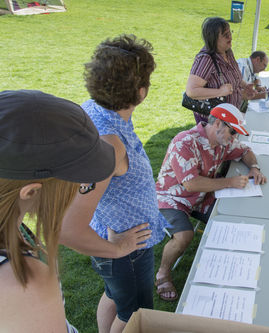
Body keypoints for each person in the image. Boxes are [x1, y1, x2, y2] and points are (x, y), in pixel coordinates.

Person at [60, 35, 168, 333]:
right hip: (126, 250)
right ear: (141, 92)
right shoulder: (110, 146)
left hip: (116, 242)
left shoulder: (95, 110)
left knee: (115, 297)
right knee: (135, 315)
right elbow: (68, 227)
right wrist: (118, 247)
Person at [0, 90, 116, 331]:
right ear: (31, 192)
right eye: (81, 184)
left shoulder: (11, 225)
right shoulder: (23, 281)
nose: (80, 189)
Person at [155, 103, 267, 301]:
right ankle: (162, 274)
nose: (234, 139)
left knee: (236, 215)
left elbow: (245, 151)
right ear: (217, 124)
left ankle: (228, 268)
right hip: (171, 198)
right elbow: (190, 184)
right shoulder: (185, 142)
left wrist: (255, 168)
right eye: (233, 133)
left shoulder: (223, 141)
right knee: (184, 236)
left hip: (199, 198)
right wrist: (229, 182)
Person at [186, 17, 255, 124]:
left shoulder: (227, 51)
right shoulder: (206, 59)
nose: (230, 37)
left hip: (229, 117)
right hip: (213, 123)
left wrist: (246, 86)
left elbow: (234, 74)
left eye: (230, 32)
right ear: (213, 38)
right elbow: (191, 91)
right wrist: (220, 92)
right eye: (225, 35)